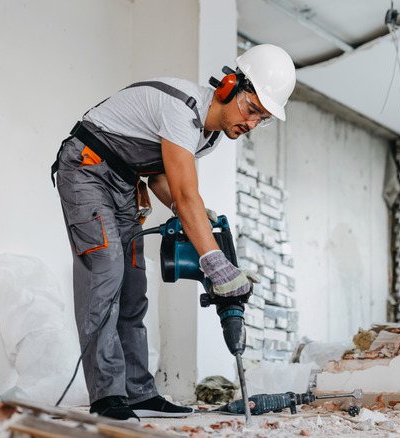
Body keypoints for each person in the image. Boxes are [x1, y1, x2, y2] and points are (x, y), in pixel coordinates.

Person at [51, 44, 296, 421]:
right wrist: (215, 261)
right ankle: (106, 397)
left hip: (123, 183)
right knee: (105, 272)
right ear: (228, 87)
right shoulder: (182, 111)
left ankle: (138, 393)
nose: (251, 124)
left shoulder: (209, 137)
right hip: (86, 168)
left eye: (261, 119)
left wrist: (196, 217)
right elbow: (184, 194)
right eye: (251, 110)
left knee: (133, 284)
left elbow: (161, 177)